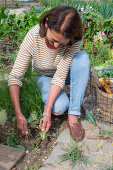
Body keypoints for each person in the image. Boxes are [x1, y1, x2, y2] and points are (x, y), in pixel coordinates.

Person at [8, 6, 90, 141]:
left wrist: (47, 110)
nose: (57, 46)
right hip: (43, 75)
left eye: (61, 42)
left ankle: (73, 116)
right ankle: (59, 98)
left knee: (82, 59)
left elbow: (61, 74)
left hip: (64, 74)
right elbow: (15, 76)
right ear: (46, 24)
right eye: (54, 39)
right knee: (59, 108)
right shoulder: (33, 36)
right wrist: (19, 114)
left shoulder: (74, 38)